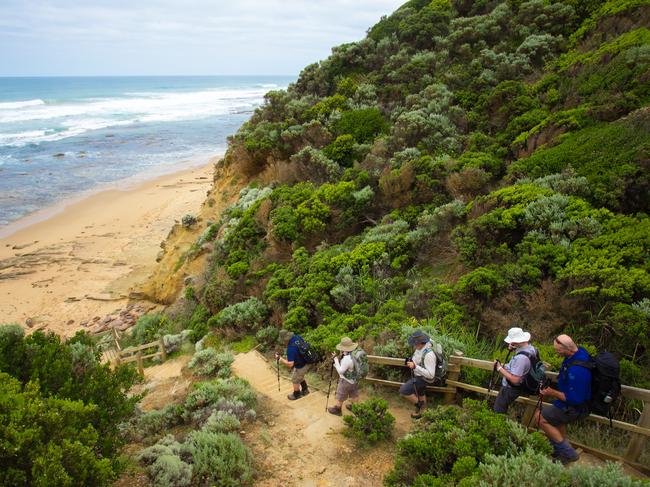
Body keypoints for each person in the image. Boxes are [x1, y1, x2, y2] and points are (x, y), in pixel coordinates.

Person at [534, 334, 591, 464]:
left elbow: (575, 398)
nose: (556, 352)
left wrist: (551, 392)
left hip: (574, 407)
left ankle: (568, 452)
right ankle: (560, 451)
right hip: (566, 403)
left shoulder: (578, 370)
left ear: (568, 349)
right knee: (556, 420)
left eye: (558, 350)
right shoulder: (578, 353)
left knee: (540, 417)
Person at [493, 327, 540, 414]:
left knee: (498, 410)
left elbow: (515, 380)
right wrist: (514, 348)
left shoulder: (521, 358)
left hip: (510, 388)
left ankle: (498, 426)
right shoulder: (532, 349)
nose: (510, 343)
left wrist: (499, 367)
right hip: (519, 386)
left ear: (516, 341)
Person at [400, 330, 437, 419]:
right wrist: (411, 362)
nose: (414, 345)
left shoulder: (429, 355)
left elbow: (431, 375)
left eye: (415, 343)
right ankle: (422, 413)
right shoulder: (420, 348)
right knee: (421, 392)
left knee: (404, 390)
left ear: (421, 343)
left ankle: (421, 406)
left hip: (424, 379)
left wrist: (415, 366)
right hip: (419, 375)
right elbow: (418, 358)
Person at [327, 336, 362, 416]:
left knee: (340, 394)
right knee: (354, 393)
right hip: (355, 379)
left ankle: (337, 409)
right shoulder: (356, 354)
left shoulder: (347, 358)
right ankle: (355, 407)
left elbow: (341, 371)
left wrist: (335, 360)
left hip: (346, 381)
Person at [275, 329, 311, 401]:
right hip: (307, 360)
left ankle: (296, 394)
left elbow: (290, 364)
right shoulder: (297, 337)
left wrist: (280, 359)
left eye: (283, 340)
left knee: (295, 378)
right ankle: (305, 390)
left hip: (302, 364)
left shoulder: (290, 348)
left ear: (285, 339)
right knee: (299, 375)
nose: (283, 342)